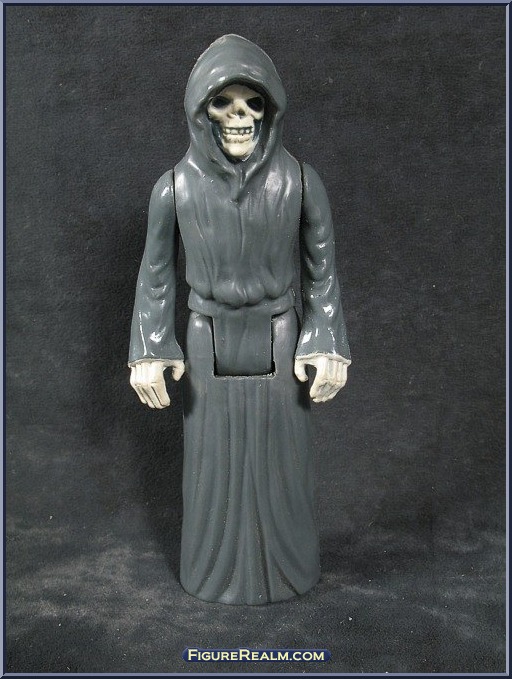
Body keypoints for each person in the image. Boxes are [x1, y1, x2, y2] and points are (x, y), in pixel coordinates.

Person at [128, 35, 351, 605]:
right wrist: (151, 348)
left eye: (252, 103)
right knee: (211, 468)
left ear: (271, 110)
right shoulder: (173, 189)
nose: (239, 117)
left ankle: (289, 568)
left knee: (284, 465)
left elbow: (322, 270)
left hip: (280, 334)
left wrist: (325, 339)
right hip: (206, 338)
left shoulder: (301, 183)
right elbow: (156, 273)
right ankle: (211, 573)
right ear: (200, 112)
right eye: (223, 104)